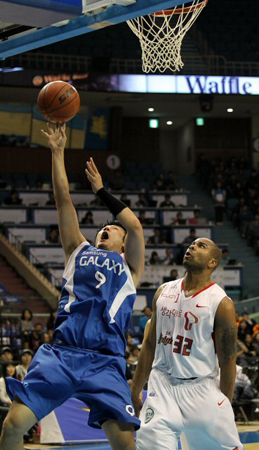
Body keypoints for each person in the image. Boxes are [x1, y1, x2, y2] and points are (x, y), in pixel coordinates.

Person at [1, 123, 145, 450]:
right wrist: (57, 152)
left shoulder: (130, 265)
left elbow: (134, 226)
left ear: (123, 244)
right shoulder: (77, 250)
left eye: (112, 228)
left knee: (126, 446)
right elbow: (63, 199)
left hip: (106, 361)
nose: (106, 230)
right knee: (12, 426)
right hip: (61, 355)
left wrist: (100, 191)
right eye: (102, 229)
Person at [131, 237, 243, 450]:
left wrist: (224, 404)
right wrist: (136, 388)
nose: (192, 246)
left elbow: (228, 362)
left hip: (201, 388)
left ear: (212, 262)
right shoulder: (163, 292)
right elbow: (149, 345)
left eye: (201, 246)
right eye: (192, 244)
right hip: (162, 384)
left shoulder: (221, 304)